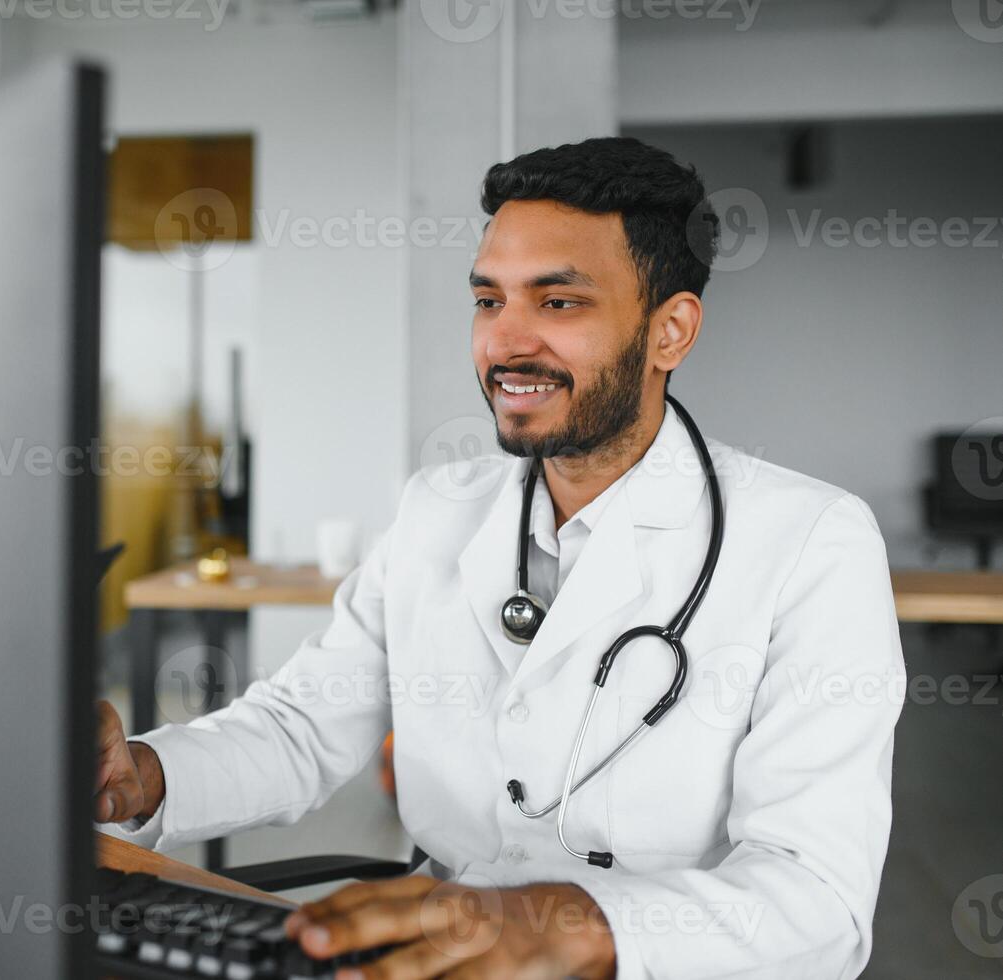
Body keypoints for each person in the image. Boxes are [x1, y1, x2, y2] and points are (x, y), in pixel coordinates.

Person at [95, 136, 904, 979]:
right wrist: (144, 776)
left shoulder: (811, 541)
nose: (506, 342)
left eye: (558, 304)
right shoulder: (438, 509)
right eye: (488, 301)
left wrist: (569, 927)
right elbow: (301, 728)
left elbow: (815, 899)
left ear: (669, 330)